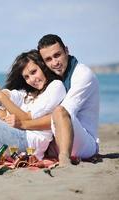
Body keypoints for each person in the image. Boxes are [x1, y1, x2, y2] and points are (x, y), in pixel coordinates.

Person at [13, 34, 100, 167]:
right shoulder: (56, 76)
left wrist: (23, 124)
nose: (54, 62)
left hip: (85, 144)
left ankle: (64, 160)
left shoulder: (82, 75)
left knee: (59, 111)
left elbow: (62, 115)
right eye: (48, 59)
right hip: (56, 139)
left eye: (57, 55)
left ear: (66, 50)